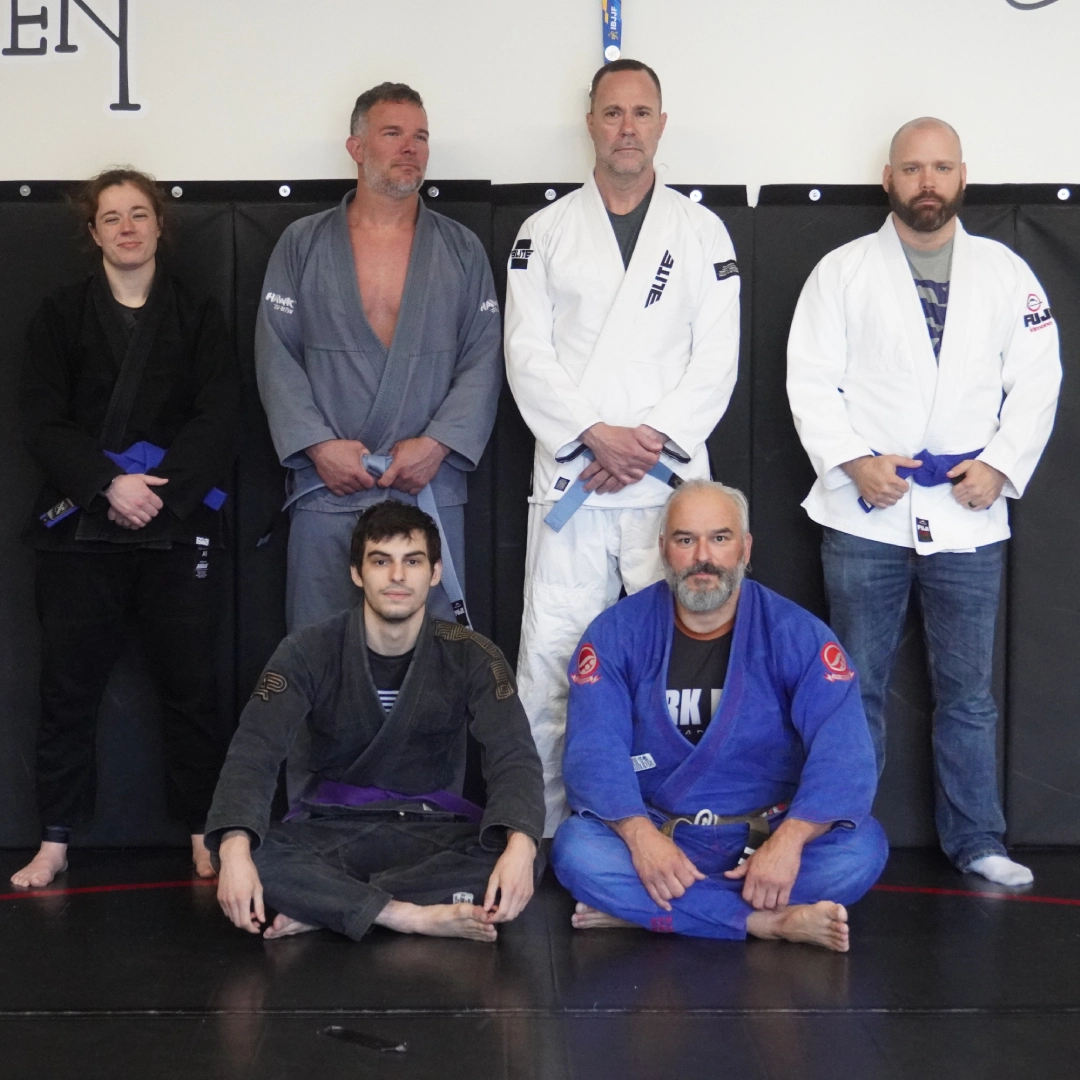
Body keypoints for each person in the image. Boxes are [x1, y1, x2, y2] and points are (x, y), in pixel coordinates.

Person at [786, 118, 1061, 887]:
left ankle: (978, 840)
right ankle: (846, 839)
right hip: (865, 511)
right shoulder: (841, 272)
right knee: (855, 689)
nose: (927, 182)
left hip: (971, 512)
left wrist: (1002, 467)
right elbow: (809, 380)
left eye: (941, 167)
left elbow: (1039, 378)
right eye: (913, 168)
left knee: (969, 696)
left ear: (963, 176)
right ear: (888, 178)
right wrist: (852, 461)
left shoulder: (1006, 273)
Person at [504, 59, 741, 835]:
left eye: (641, 113)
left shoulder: (701, 232)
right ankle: (541, 832)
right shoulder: (543, 232)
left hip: (664, 489)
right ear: (591, 123)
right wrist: (592, 438)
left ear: (662, 125)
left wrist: (649, 445)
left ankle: (666, 824)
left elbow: (716, 360)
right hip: (575, 482)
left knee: (670, 664)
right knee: (552, 661)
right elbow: (525, 353)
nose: (627, 127)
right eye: (613, 113)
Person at [12, 168, 240, 888]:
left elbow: (219, 416)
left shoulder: (198, 314)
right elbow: (41, 419)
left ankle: (205, 829)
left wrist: (159, 496)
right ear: (92, 233)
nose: (127, 228)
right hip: (82, 526)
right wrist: (107, 484)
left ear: (159, 226)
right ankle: (54, 839)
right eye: (111, 218)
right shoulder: (58, 315)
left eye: (139, 214)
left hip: (173, 521)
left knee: (192, 686)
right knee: (67, 689)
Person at [551, 481, 886, 950]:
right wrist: (639, 837)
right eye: (685, 539)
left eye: (720, 538)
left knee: (860, 851)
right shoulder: (617, 633)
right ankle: (763, 922)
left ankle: (650, 913)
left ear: (746, 548)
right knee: (577, 851)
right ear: (664, 549)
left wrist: (789, 843)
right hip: (659, 836)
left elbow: (845, 754)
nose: (702, 557)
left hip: (764, 840)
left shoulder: (797, 633)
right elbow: (594, 752)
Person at [206, 501, 545, 942]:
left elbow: (513, 755)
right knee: (240, 850)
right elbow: (255, 750)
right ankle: (406, 914)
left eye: (413, 561)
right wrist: (233, 851)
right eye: (381, 561)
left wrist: (520, 846)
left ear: (436, 572)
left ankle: (332, 906)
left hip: (431, 829)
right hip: (332, 831)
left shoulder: (472, 654)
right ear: (356, 572)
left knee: (527, 851)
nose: (398, 576)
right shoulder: (307, 650)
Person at [256, 81, 502, 632]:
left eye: (420, 136)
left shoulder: (461, 249)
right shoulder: (302, 244)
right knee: (320, 646)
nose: (409, 147)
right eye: (392, 133)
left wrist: (437, 446)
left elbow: (483, 359)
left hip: (426, 485)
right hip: (330, 485)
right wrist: (319, 447)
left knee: (435, 651)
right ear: (356, 146)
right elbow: (277, 356)